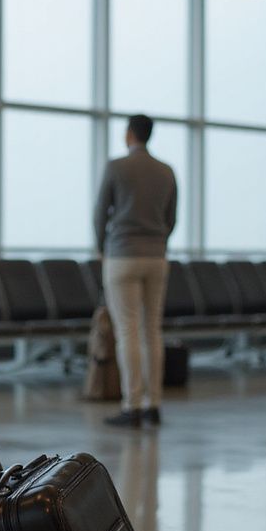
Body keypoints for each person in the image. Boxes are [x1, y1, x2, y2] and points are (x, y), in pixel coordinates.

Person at [93, 114, 177, 428]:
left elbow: (101, 212)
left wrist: (102, 247)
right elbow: (171, 218)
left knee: (127, 330)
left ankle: (132, 405)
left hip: (123, 255)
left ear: (129, 134)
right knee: (152, 330)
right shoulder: (166, 171)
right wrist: (158, 239)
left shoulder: (117, 167)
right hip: (157, 256)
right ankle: (153, 403)